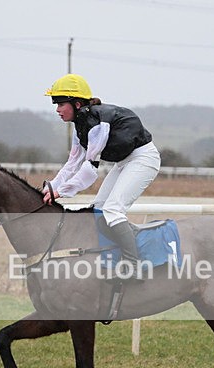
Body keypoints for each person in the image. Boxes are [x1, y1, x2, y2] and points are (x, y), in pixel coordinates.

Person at [43, 73, 161, 280]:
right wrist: (51, 187)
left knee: (113, 210)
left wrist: (61, 192)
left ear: (77, 104)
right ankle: (126, 248)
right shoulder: (80, 125)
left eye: (60, 104)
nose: (57, 110)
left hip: (143, 159)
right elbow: (72, 164)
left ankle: (134, 267)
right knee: (98, 211)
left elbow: (89, 170)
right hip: (124, 162)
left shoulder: (96, 124)